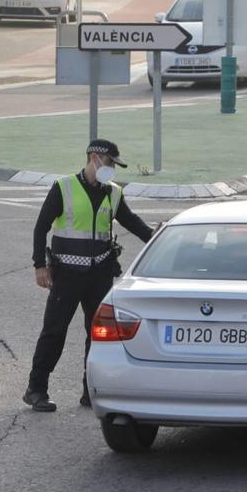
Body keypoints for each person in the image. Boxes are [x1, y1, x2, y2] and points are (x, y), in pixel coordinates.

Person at [24, 139, 155, 412]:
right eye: (109, 163)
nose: (112, 170)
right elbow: (41, 227)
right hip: (67, 274)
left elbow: (132, 222)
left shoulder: (113, 192)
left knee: (97, 334)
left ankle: (89, 391)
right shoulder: (64, 188)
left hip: (100, 273)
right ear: (94, 158)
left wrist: (158, 241)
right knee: (54, 331)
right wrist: (39, 265)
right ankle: (36, 389)